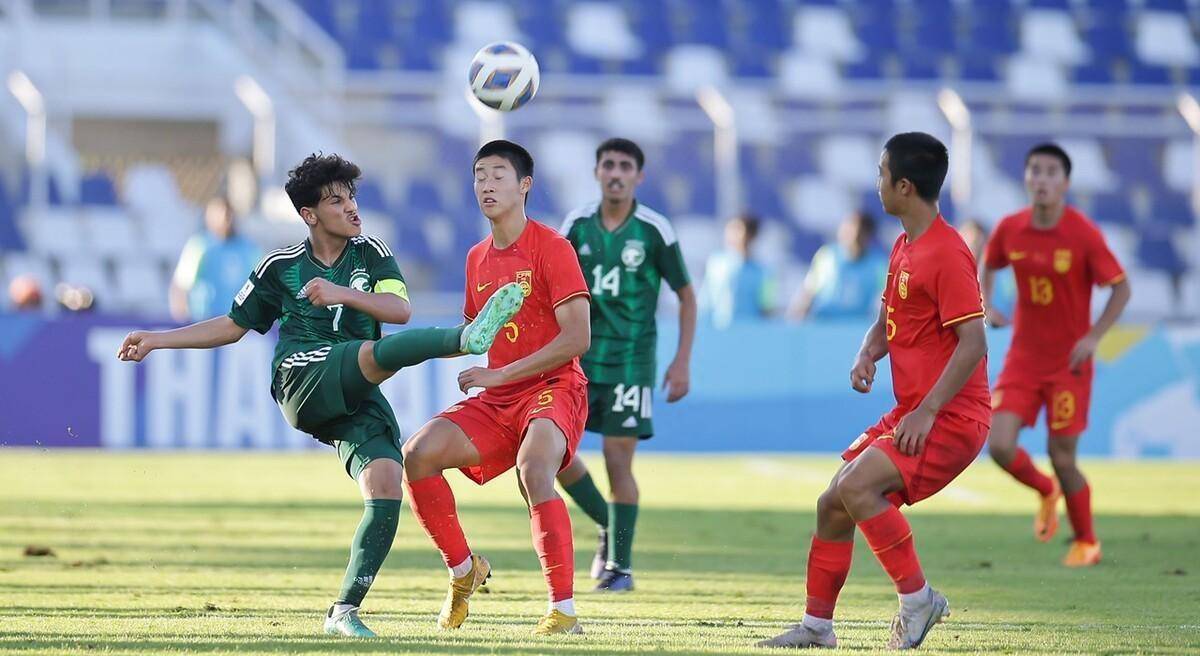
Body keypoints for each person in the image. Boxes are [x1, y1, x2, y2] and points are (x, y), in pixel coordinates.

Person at [117, 153, 525, 639]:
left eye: (352, 196)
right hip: (301, 377)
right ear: (309, 215)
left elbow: (399, 308)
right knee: (370, 355)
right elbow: (231, 326)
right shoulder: (280, 267)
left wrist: (343, 294)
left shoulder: (371, 253)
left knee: (387, 484)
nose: (352, 207)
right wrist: (158, 339)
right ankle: (465, 339)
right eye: (336, 200)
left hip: (356, 390)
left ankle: (343, 612)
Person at [758, 133, 990, 650]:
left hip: (950, 418)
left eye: (881, 173)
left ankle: (918, 600)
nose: (876, 182)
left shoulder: (949, 253)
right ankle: (817, 628)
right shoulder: (905, 244)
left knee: (858, 488)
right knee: (832, 503)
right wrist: (868, 350)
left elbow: (973, 343)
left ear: (904, 186)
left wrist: (928, 411)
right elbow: (891, 313)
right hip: (914, 409)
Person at [399, 140, 592, 635]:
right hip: (500, 397)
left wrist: (502, 373)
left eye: (498, 175)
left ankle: (563, 610)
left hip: (554, 386)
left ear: (524, 185)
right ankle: (464, 572)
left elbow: (578, 338)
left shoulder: (553, 248)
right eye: (479, 175)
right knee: (417, 455)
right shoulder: (477, 258)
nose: (486, 184)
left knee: (534, 468)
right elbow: (475, 334)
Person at [556, 137, 697, 592]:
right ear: (597, 172)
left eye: (625, 166)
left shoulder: (654, 230)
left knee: (619, 462)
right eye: (608, 165)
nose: (616, 173)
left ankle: (621, 567)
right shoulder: (576, 225)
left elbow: (687, 295)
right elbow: (550, 285)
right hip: (575, 359)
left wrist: (681, 361)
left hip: (630, 362)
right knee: (553, 454)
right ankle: (605, 523)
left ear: (639, 176)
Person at [982, 143, 1131, 567]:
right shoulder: (1010, 229)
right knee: (999, 445)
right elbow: (988, 264)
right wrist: (987, 302)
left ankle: (1086, 541)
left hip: (1070, 365)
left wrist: (1094, 337)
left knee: (1063, 456)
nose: (1041, 178)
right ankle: (1046, 490)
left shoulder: (1083, 233)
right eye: (1035, 170)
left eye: (1051, 172)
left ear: (1065, 183)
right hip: (1023, 361)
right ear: (1026, 178)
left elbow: (1121, 288)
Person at [169, 195, 262, 321]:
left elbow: (260, 283)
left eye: (227, 214)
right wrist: (182, 319)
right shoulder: (200, 246)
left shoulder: (248, 247)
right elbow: (181, 285)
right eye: (219, 214)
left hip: (237, 323)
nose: (224, 219)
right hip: (205, 322)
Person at [788, 210, 887, 322]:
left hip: (856, 326)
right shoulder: (827, 256)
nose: (853, 237)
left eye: (859, 233)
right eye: (848, 231)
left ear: (868, 236)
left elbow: (885, 298)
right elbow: (809, 290)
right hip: (825, 322)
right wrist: (798, 315)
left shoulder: (877, 265)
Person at [701, 212, 772, 327]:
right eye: (731, 229)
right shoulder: (715, 263)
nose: (732, 234)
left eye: (738, 230)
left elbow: (767, 308)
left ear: (752, 235)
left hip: (750, 334)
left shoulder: (765, 272)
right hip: (719, 333)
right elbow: (705, 302)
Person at [958, 218, 1015, 320]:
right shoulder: (948, 277)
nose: (975, 250)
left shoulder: (1005, 277)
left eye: (980, 245)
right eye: (972, 244)